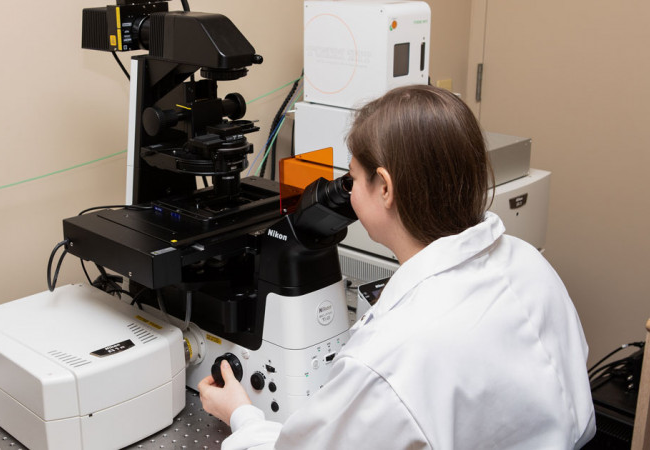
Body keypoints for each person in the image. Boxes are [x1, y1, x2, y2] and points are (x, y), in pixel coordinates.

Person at [198, 85, 596, 449]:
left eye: (352, 178)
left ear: (385, 187)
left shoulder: (389, 359)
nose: (347, 191)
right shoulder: (530, 264)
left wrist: (242, 414)